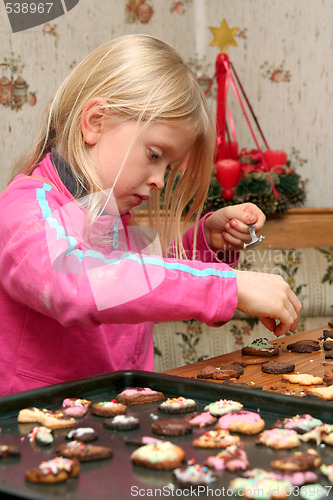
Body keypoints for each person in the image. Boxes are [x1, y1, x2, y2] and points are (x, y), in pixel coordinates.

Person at [0, 34, 301, 395]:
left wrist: (205, 244)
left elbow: (144, 287)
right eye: (155, 155)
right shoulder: (25, 208)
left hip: (123, 420)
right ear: (95, 122)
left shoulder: (114, 219)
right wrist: (228, 285)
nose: (159, 180)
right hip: (35, 434)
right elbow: (79, 285)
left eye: (168, 167)